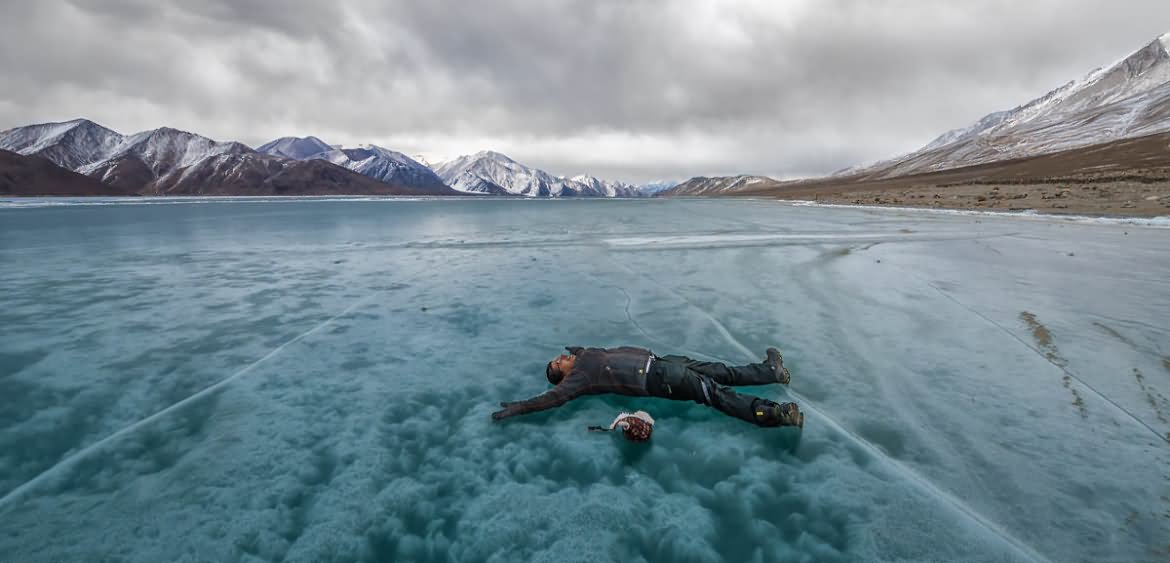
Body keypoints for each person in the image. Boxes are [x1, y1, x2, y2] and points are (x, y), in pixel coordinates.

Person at [491, 346, 803, 428]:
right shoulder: (578, 380)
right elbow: (552, 399)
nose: (561, 358)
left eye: (559, 357)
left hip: (662, 362)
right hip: (657, 379)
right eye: (558, 363)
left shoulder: (584, 356)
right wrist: (522, 407)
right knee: (714, 394)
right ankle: (771, 413)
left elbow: (594, 352)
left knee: (722, 373)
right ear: (563, 375)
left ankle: (771, 371)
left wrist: (579, 348)